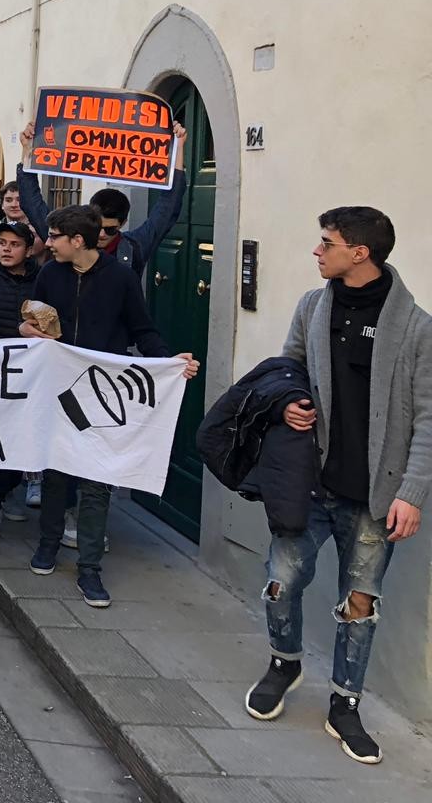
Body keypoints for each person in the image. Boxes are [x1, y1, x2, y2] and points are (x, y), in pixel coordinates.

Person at [242, 207, 429, 765]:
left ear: (360, 253)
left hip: (375, 496)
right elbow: (287, 368)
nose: (317, 252)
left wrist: (412, 493)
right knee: (280, 581)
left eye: (327, 243)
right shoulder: (312, 306)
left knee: (359, 604)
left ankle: (344, 706)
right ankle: (284, 663)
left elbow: (428, 416)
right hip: (311, 485)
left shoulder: (417, 329)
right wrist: (289, 404)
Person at [21, 205, 198, 608]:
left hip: (104, 393)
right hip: (57, 387)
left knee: (97, 480)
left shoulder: (120, 277)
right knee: (54, 472)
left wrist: (170, 363)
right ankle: (48, 544)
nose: (47, 243)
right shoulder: (50, 274)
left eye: (54, 237)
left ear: (77, 240)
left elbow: (143, 329)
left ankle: (89, 568)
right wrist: (28, 330)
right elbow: (34, 319)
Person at [15, 120, 189, 277]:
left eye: (110, 230)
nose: (102, 234)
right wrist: (28, 151)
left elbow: (168, 208)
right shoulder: (66, 239)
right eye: (97, 226)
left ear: (122, 223)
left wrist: (178, 147)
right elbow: (32, 204)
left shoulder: (136, 246)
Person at [0, 219, 42, 527]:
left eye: (15, 245)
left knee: (21, 436)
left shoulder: (43, 280)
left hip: (30, 374)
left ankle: (8, 489)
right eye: (2, 243)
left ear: (28, 250)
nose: (7, 249)